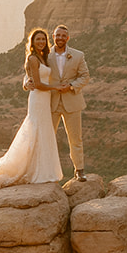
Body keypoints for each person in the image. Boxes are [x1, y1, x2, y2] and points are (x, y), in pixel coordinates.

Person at [0, 28, 64, 189]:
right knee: (36, 130)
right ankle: (35, 172)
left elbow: (28, 77)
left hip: (44, 99)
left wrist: (26, 82)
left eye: (43, 39)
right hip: (38, 98)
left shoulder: (44, 57)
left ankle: (42, 170)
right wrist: (57, 87)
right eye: (37, 39)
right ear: (32, 42)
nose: (40, 42)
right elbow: (38, 84)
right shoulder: (33, 58)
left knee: (43, 131)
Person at [45, 24, 89, 180]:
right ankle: (46, 170)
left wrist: (70, 86)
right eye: (58, 35)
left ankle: (79, 170)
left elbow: (85, 76)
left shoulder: (78, 55)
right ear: (53, 36)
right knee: (48, 138)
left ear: (68, 38)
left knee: (75, 138)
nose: (60, 38)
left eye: (63, 36)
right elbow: (31, 70)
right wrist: (26, 83)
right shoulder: (44, 55)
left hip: (72, 102)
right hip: (51, 103)